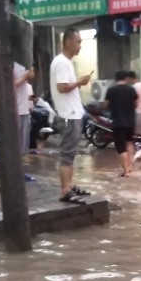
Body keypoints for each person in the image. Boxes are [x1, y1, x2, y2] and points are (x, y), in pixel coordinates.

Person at [50, 27, 93, 203]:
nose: (80, 46)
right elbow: (62, 87)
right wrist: (80, 82)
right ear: (68, 42)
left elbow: (65, 86)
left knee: (70, 153)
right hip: (68, 114)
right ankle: (65, 190)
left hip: (72, 113)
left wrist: (77, 83)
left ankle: (69, 185)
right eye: (78, 42)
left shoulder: (65, 62)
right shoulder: (61, 62)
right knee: (67, 154)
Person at [103, 69, 137, 176]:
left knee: (121, 147)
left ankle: (126, 171)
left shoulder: (111, 90)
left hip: (117, 122)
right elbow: (135, 104)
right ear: (126, 78)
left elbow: (105, 105)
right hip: (130, 121)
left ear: (116, 79)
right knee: (129, 142)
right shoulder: (131, 89)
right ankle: (130, 166)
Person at [13, 62, 35, 157]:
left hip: (25, 109)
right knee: (16, 143)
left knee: (24, 144)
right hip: (16, 109)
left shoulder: (23, 63)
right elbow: (10, 85)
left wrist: (30, 75)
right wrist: (24, 78)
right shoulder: (11, 65)